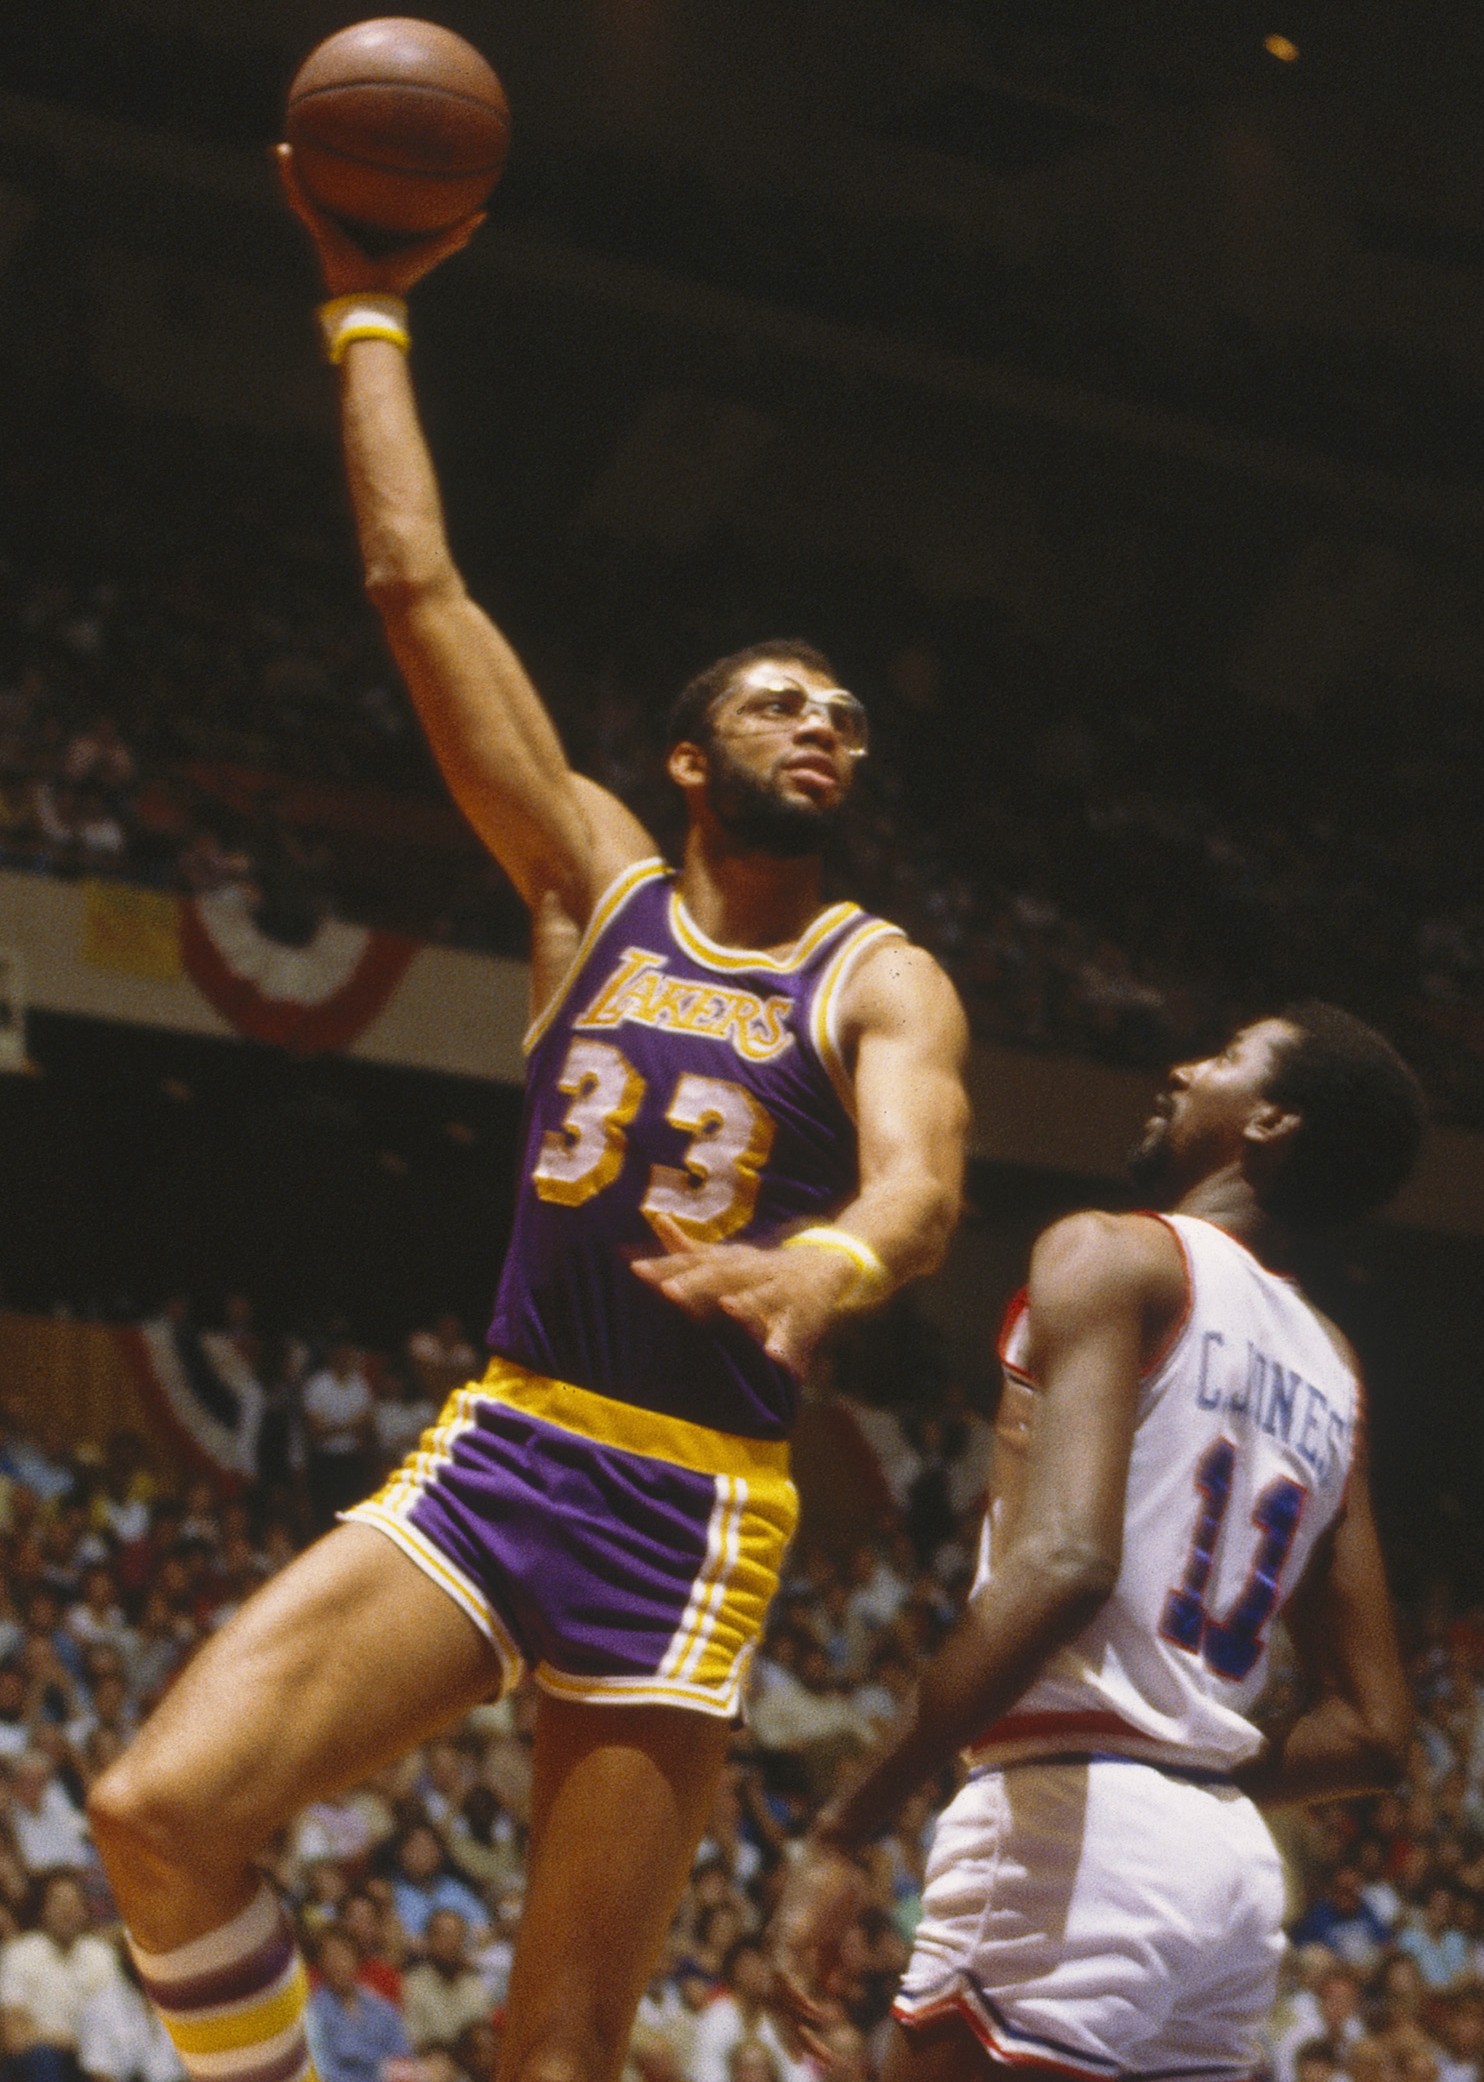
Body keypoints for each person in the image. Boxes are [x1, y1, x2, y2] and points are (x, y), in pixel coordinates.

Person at [87, 149, 969, 2082]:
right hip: (506, 1447)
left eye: (844, 711)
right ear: (683, 751)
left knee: (558, 2052)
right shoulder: (593, 885)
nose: (825, 721)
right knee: (157, 1815)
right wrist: (364, 309)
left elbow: (913, 1181)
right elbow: (415, 583)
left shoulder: (874, 968)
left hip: (692, 1500)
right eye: (780, 699)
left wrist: (821, 1260)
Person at [770, 1004, 1426, 2082]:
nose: (1180, 1067)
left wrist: (847, 1826)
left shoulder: (1112, 1255)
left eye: (1220, 1059)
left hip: (1072, 1822)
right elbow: (1373, 1731)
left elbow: (1066, 1563)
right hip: (1226, 1871)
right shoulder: (1331, 1366)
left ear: (1266, 1124)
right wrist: (1182, 1769)